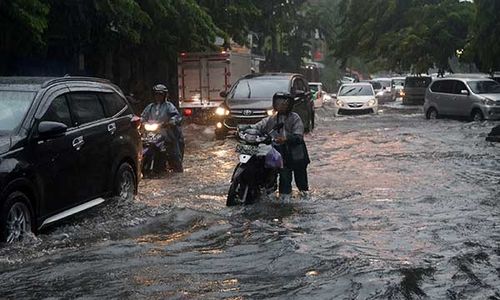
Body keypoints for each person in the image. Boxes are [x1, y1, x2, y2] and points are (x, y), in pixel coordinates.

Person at [252, 92, 310, 201]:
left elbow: (299, 137)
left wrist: (286, 138)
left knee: (301, 182)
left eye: (285, 103)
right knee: (284, 180)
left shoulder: (295, 118)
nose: (281, 105)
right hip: (281, 156)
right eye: (278, 103)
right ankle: (284, 203)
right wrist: (247, 129)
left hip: (297, 156)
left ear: (290, 105)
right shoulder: (272, 119)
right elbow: (259, 126)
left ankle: (305, 199)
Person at [141, 84, 184, 172]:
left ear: (164, 95)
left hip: (166, 134)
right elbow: (143, 116)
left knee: (173, 152)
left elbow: (176, 116)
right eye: (156, 94)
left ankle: (177, 167)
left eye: (160, 94)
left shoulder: (169, 106)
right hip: (152, 134)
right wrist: (141, 121)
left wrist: (171, 122)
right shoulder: (150, 107)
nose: (158, 97)